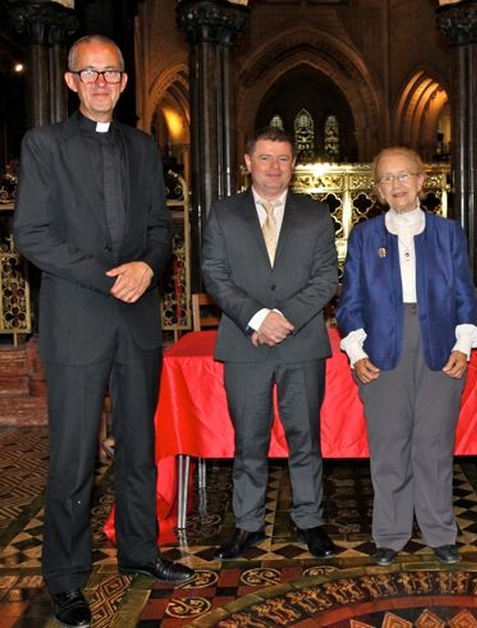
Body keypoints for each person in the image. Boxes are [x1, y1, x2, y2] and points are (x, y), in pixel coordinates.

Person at [12, 34, 195, 628]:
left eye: (110, 72)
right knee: (73, 457)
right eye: (88, 73)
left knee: (140, 448)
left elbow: (160, 230)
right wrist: (110, 276)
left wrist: (149, 264)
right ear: (71, 81)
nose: (99, 82)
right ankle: (66, 578)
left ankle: (141, 552)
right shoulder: (43, 145)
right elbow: (32, 236)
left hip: (137, 319)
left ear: (122, 81)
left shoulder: (143, 147)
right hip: (79, 319)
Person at [336, 147, 477, 566]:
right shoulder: (365, 237)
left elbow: (462, 294)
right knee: (389, 443)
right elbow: (349, 303)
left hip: (440, 343)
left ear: (422, 181)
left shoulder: (448, 232)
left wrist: (463, 344)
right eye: (386, 178)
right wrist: (356, 350)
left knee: (434, 443)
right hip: (383, 343)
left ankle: (440, 532)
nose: (396, 185)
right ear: (378, 188)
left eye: (404, 176)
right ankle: (390, 534)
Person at [201, 127, 339, 560]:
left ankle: (311, 521)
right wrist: (259, 318)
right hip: (246, 344)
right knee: (249, 440)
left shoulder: (316, 215)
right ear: (248, 162)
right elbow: (214, 275)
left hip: (301, 344)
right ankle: (246, 524)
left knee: (305, 439)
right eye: (265, 158)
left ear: (293, 164)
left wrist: (287, 319)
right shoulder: (224, 214)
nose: (274, 167)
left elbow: (326, 278)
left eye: (283, 158)